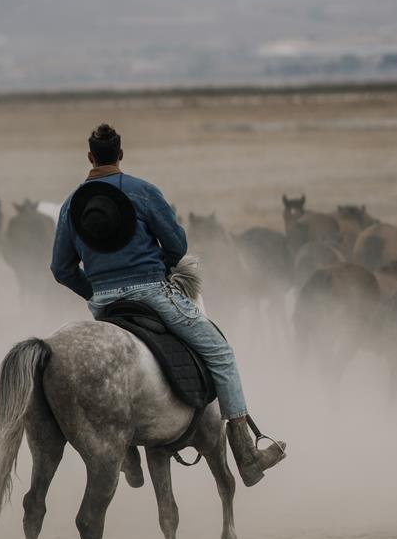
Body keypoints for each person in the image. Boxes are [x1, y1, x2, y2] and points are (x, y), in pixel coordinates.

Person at [50, 122, 284, 486]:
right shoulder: (142, 192)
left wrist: (95, 292)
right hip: (152, 293)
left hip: (104, 306)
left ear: (90, 157)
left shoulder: (70, 205)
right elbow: (177, 247)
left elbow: (61, 268)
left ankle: (127, 455)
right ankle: (246, 453)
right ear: (121, 155)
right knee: (220, 352)